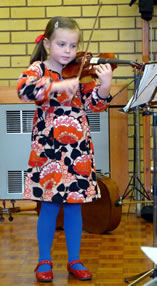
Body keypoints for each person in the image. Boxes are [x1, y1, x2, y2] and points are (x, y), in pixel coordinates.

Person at [17, 16, 113, 283]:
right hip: (48, 149)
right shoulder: (39, 68)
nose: (69, 52)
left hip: (77, 151)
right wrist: (57, 85)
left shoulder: (80, 72)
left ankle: (74, 260)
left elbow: (95, 105)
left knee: (74, 207)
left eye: (73, 46)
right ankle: (44, 260)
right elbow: (23, 90)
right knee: (49, 205)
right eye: (62, 45)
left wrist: (104, 86)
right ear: (47, 43)